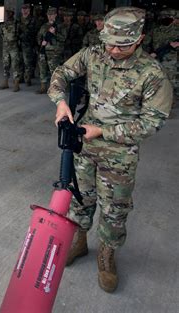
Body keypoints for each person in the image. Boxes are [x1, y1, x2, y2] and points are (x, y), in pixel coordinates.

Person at [48, 7, 173, 293]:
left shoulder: (152, 74)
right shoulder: (94, 54)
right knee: (81, 197)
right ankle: (80, 241)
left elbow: (153, 122)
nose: (114, 50)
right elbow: (62, 72)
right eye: (110, 42)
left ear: (139, 39)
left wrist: (105, 131)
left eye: (123, 45)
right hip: (85, 144)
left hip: (120, 154)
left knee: (115, 208)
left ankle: (106, 255)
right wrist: (60, 101)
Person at [151, 9, 179, 104]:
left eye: (168, 17)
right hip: (157, 58)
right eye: (163, 17)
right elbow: (148, 43)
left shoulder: (176, 30)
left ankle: (170, 103)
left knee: (172, 82)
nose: (164, 19)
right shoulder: (155, 29)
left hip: (172, 60)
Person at [37, 7, 67, 94]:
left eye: (52, 15)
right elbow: (39, 36)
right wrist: (40, 42)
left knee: (54, 71)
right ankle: (43, 87)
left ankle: (55, 88)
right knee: (42, 69)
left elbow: (63, 38)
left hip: (55, 52)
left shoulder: (60, 26)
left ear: (55, 15)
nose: (50, 16)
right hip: (44, 51)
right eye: (49, 15)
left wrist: (55, 33)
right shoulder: (44, 26)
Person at [0, 8, 21, 92]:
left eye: (9, 13)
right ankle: (5, 82)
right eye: (6, 14)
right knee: (5, 65)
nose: (7, 15)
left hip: (14, 48)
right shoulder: (3, 25)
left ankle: (16, 84)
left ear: (12, 14)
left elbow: (19, 35)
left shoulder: (16, 24)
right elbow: (2, 34)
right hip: (5, 48)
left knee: (15, 65)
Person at [18, 4, 37, 86]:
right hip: (19, 44)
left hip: (28, 44)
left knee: (27, 62)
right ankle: (20, 78)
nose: (25, 11)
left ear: (29, 10)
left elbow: (31, 31)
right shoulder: (18, 19)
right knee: (19, 61)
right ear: (21, 10)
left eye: (26, 9)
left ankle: (27, 79)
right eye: (23, 9)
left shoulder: (33, 19)